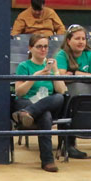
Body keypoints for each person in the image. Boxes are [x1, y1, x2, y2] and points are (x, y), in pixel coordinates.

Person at [12, 33, 66, 173]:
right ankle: (48, 161)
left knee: (59, 98)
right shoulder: (24, 66)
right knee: (45, 115)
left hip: (43, 103)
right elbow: (19, 92)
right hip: (26, 101)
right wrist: (34, 77)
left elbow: (61, 90)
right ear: (30, 48)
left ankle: (27, 113)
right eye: (39, 46)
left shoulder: (51, 67)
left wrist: (55, 71)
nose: (43, 49)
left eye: (46, 46)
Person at [56, 24, 91, 159]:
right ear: (68, 40)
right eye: (77, 38)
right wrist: (85, 76)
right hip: (70, 95)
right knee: (71, 104)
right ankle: (69, 145)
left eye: (83, 39)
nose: (81, 42)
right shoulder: (62, 55)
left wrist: (74, 73)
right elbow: (61, 76)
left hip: (90, 93)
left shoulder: (90, 54)